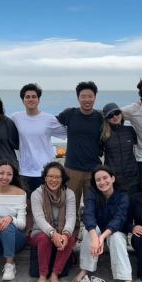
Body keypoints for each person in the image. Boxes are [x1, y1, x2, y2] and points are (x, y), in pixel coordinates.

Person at [75, 165, 140, 282]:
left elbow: (119, 219)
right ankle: (85, 269)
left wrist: (102, 237)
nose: (102, 182)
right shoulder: (92, 193)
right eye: (98, 179)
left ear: (113, 178)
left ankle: (127, 280)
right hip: (97, 228)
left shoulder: (123, 195)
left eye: (105, 178)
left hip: (115, 230)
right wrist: (95, 237)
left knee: (116, 238)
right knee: (90, 232)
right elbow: (88, 215)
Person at [11, 83, 67, 231]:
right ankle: (29, 235)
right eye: (27, 97)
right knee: (28, 206)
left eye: (34, 96)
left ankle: (47, 233)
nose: (31, 99)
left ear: (38, 99)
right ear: (23, 100)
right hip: (25, 170)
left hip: (46, 170)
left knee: (47, 205)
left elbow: (68, 133)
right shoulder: (16, 117)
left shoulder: (48, 119)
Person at [57, 81, 104, 226]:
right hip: (72, 169)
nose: (87, 100)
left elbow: (119, 117)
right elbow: (48, 125)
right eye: (83, 96)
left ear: (95, 97)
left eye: (90, 96)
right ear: (78, 98)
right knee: (71, 206)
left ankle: (93, 236)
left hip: (93, 169)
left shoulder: (100, 117)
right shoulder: (70, 114)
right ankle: (72, 234)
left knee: (93, 205)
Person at [28, 162, 77, 282]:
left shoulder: (69, 194)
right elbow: (38, 218)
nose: (54, 180)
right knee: (45, 238)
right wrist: (53, 233)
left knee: (71, 238)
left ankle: (54, 275)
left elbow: (72, 216)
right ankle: (43, 276)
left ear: (62, 179)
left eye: (57, 177)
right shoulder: (37, 194)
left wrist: (65, 234)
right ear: (45, 177)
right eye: (50, 176)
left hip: (61, 231)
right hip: (40, 232)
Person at [101, 102, 139, 195]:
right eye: (110, 115)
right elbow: (98, 152)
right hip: (114, 180)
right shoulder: (103, 135)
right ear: (106, 119)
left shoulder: (130, 130)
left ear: (121, 113)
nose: (115, 117)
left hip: (133, 178)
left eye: (117, 113)